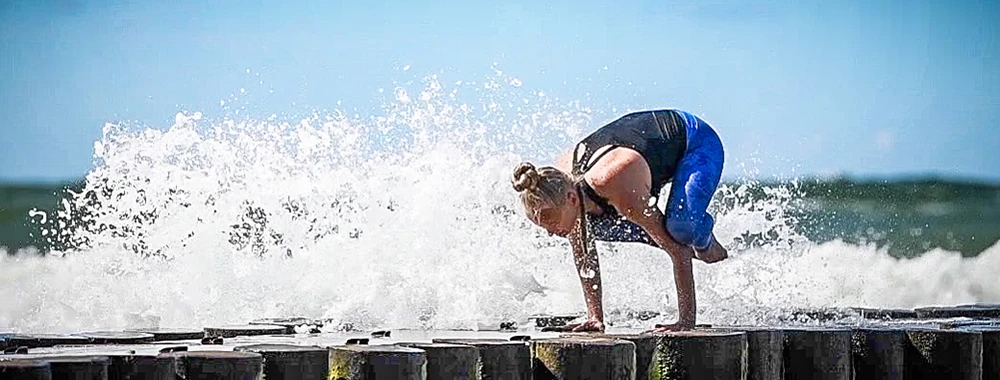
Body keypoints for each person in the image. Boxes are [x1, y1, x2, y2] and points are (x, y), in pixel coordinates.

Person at [511, 109, 728, 333]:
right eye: (542, 226)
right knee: (597, 228)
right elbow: (585, 256)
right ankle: (684, 240)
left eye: (551, 221)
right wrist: (595, 318)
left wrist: (685, 323)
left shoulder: (613, 183)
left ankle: (705, 243)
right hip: (639, 157)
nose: (550, 232)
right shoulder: (555, 185)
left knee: (681, 230)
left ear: (571, 198)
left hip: (695, 140)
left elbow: (678, 252)